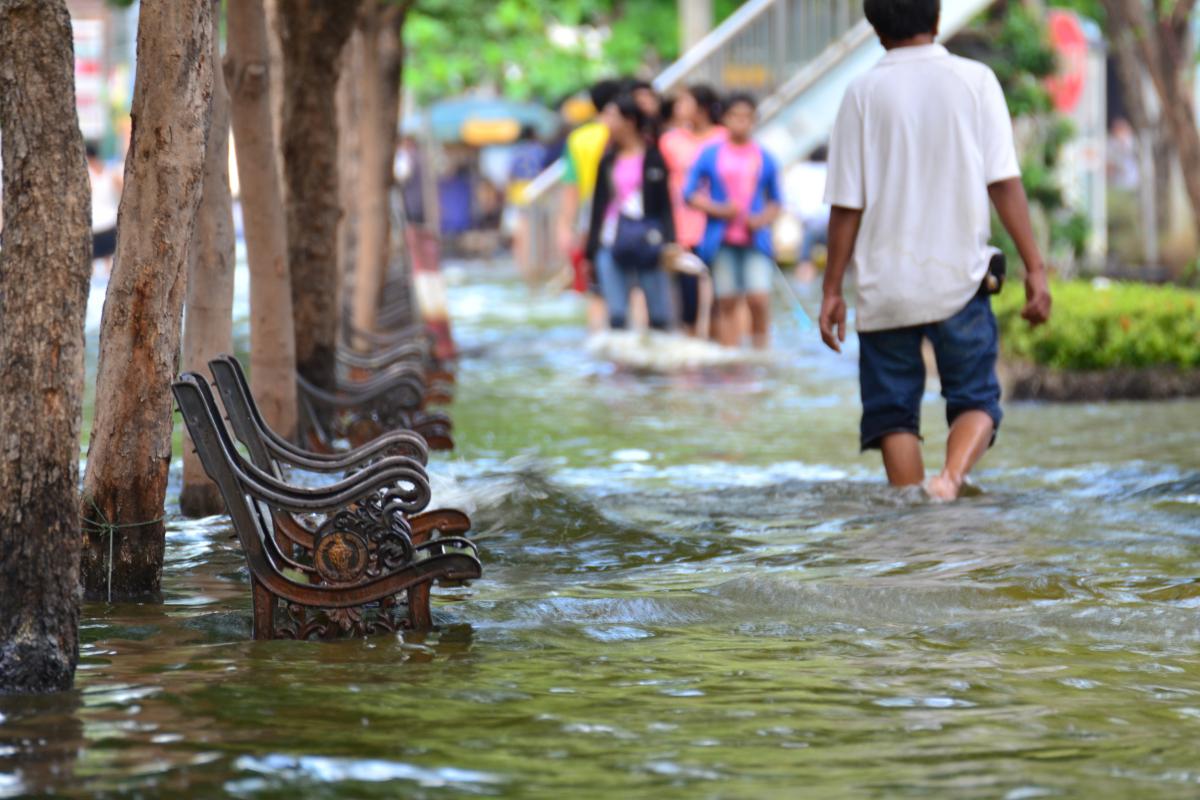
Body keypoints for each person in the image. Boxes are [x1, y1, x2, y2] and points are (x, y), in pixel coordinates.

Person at [818, 0, 1052, 501]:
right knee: (976, 399)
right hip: (959, 280)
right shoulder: (976, 80)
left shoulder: (860, 92)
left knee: (892, 413)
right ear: (937, 19)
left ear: (875, 28)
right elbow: (1004, 182)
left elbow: (845, 205)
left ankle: (911, 517)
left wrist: (832, 289)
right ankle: (947, 482)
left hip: (886, 288)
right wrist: (1036, 267)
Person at [685, 93, 782, 349]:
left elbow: (776, 201)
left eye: (746, 117)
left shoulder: (764, 157)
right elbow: (689, 193)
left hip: (754, 241)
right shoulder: (710, 154)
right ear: (725, 119)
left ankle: (760, 350)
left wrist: (761, 219)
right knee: (726, 300)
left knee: (758, 298)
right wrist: (717, 209)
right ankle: (731, 353)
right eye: (735, 116)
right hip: (721, 239)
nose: (741, 122)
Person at [584, 94, 676, 331]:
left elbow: (665, 202)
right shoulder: (607, 161)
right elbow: (599, 204)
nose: (607, 122)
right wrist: (590, 249)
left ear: (630, 120)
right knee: (616, 315)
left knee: (659, 315)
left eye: (612, 116)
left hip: (648, 240)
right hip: (611, 239)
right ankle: (620, 365)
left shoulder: (653, 158)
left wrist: (670, 240)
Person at [660, 84, 726, 336]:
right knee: (688, 294)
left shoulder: (724, 137)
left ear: (702, 106)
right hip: (682, 226)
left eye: (684, 102)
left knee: (722, 294)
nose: (678, 108)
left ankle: (720, 343)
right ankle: (690, 341)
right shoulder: (670, 141)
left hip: (718, 225)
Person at [559, 79, 623, 330]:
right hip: (622, 215)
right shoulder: (624, 133)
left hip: (589, 216)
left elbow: (570, 189)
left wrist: (566, 228)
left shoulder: (578, 138)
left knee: (595, 291)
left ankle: (597, 342)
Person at [87, 142, 121, 274]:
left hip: (94, 226)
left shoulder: (87, 175)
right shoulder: (110, 172)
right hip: (111, 224)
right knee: (109, 266)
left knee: (93, 267)